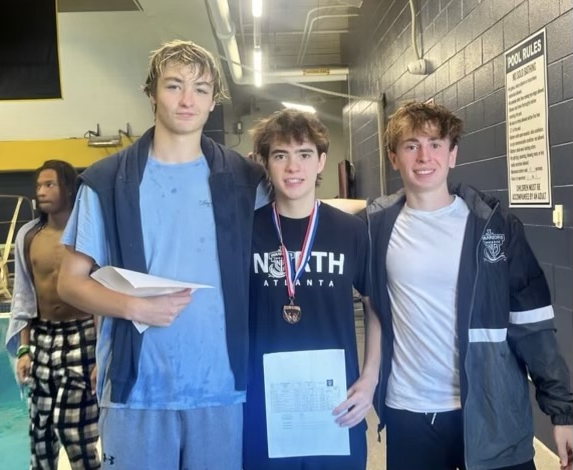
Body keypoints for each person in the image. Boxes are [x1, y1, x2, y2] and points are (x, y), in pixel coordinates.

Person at [56, 40, 269, 470]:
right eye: (174, 86)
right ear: (152, 93)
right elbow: (69, 282)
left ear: (214, 101)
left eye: (201, 89)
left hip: (221, 387)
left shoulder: (247, 182)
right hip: (138, 391)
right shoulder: (107, 181)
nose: (187, 100)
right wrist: (133, 307)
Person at [365, 101, 573, 470]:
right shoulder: (374, 227)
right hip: (410, 413)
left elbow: (534, 326)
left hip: (493, 412)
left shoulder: (495, 227)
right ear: (393, 157)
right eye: (411, 145)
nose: (424, 156)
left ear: (453, 153)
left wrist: (562, 412)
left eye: (435, 144)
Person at [243, 109, 381, 470]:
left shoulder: (349, 231)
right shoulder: (245, 232)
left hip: (335, 405)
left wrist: (369, 380)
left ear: (321, 162)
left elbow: (376, 306)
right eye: (280, 155)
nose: (293, 168)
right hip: (263, 406)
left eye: (304, 155)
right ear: (264, 163)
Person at [5, 160, 100, 470]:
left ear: (69, 189)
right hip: (43, 336)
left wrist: (102, 354)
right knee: (41, 430)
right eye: (38, 186)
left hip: (83, 333)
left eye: (50, 185)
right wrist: (23, 348)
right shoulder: (29, 237)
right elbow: (24, 296)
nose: (41, 192)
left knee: (76, 431)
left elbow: (101, 293)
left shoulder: (90, 233)